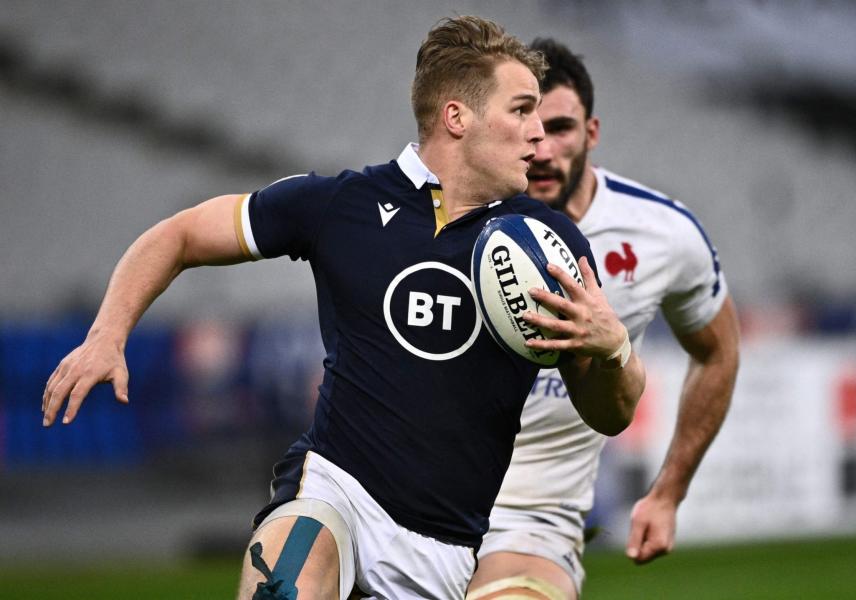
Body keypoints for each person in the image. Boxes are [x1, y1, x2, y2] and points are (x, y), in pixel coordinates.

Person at [40, 18, 646, 600]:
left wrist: (611, 346)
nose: (539, 132)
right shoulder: (343, 204)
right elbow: (179, 236)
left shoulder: (546, 243)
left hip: (443, 550)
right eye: (521, 110)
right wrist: (106, 335)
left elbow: (610, 412)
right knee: (287, 574)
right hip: (335, 490)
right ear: (457, 117)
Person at [468, 39, 741, 600]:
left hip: (534, 521)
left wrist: (668, 493)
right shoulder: (451, 221)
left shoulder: (661, 233)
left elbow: (719, 350)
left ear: (591, 133)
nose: (542, 148)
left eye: (560, 127)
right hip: (410, 495)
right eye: (526, 125)